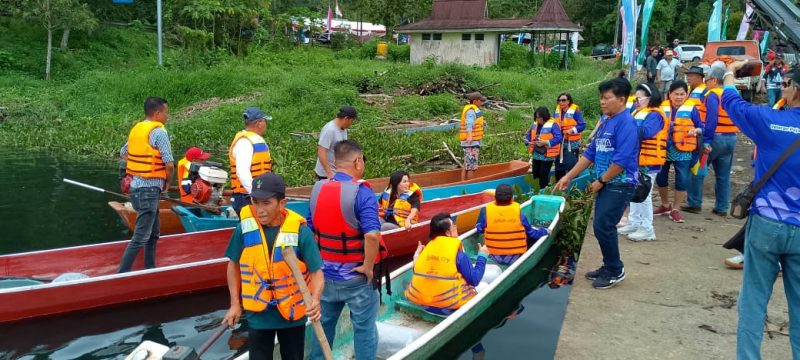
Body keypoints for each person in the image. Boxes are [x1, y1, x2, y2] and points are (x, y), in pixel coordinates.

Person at [723, 61, 800, 359]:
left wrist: (730, 72)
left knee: (753, 302)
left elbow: (731, 101)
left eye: (785, 84)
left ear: (794, 89)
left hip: (767, 224)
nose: (782, 88)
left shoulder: (770, 121)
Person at [221, 173, 324, 360]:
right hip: (258, 316)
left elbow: (317, 272)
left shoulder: (301, 232)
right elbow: (233, 266)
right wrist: (235, 304)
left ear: (282, 203)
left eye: (266, 203)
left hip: (292, 316)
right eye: (255, 202)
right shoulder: (244, 229)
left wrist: (315, 299)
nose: (259, 209)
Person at [555, 76, 639, 289]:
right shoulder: (607, 120)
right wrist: (569, 176)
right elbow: (590, 153)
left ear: (621, 100)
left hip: (619, 183)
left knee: (604, 225)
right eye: (601, 97)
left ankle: (615, 270)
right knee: (601, 226)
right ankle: (608, 265)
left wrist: (601, 180)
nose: (602, 101)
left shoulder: (627, 123)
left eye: (606, 98)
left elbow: (622, 160)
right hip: (606, 182)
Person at [308, 140, 382, 360]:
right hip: (355, 277)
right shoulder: (362, 192)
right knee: (364, 329)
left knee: (323, 326)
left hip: (325, 276)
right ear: (358, 161)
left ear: (335, 162)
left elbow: (310, 228)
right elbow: (371, 234)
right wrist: (368, 267)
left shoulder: (317, 188)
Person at [405, 212, 488, 359]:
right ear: (448, 232)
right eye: (454, 226)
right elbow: (474, 280)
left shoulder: (427, 249)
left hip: (423, 305)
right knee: (484, 286)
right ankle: (477, 349)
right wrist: (482, 256)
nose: (457, 229)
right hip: (447, 309)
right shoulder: (458, 254)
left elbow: (419, 272)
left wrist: (415, 257)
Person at [118, 97, 174, 273]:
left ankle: (150, 268)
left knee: (153, 233)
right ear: (157, 113)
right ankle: (122, 274)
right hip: (149, 190)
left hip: (137, 188)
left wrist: (137, 168)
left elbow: (123, 152)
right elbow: (169, 164)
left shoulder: (138, 129)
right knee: (141, 236)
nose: (167, 115)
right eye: (166, 112)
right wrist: (166, 184)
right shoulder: (159, 132)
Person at [683, 65, 739, 216]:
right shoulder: (731, 94)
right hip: (731, 138)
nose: (706, 83)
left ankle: (694, 202)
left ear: (714, 80)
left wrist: (706, 140)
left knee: (697, 170)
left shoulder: (712, 95)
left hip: (714, 138)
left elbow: (712, 119)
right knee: (724, 175)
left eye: (707, 80)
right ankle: (721, 207)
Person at [618, 84, 667, 242]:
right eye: (635, 98)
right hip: (636, 160)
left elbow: (646, 132)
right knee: (635, 191)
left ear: (649, 98)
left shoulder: (655, 115)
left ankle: (647, 228)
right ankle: (635, 222)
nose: (636, 101)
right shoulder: (638, 112)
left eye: (638, 98)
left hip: (649, 162)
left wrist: (625, 129)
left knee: (644, 194)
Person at [653, 81, 704, 223]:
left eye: (682, 94)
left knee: (682, 179)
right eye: (676, 94)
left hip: (683, 149)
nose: (679, 97)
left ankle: (675, 209)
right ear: (670, 94)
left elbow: (702, 127)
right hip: (664, 148)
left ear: (686, 94)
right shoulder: (661, 108)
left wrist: (696, 131)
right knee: (661, 177)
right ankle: (664, 205)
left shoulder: (692, 108)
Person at [475, 184, 549, 266]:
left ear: (495, 198)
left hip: (494, 256)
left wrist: (478, 225)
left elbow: (480, 229)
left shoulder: (488, 215)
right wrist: (544, 231)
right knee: (530, 238)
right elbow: (532, 233)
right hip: (515, 257)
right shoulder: (520, 216)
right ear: (512, 199)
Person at [229, 107, 273, 215]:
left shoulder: (253, 139)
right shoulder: (244, 142)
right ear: (259, 123)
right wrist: (255, 194)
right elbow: (242, 172)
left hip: (258, 194)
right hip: (247, 197)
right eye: (265, 121)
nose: (266, 124)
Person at [315, 106, 358, 180]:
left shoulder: (343, 129)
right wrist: (329, 173)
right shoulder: (330, 130)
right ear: (346, 118)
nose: (351, 123)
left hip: (337, 172)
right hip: (326, 174)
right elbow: (321, 151)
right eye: (352, 120)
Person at [526, 106, 563, 190]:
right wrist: (527, 141)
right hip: (536, 153)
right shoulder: (535, 124)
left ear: (544, 116)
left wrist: (545, 142)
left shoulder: (553, 124)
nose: (537, 119)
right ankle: (536, 190)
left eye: (539, 117)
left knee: (543, 175)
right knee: (535, 174)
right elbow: (529, 135)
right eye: (536, 117)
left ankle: (543, 191)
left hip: (547, 154)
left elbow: (558, 138)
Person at [552, 92, 586, 181]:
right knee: (559, 163)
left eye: (563, 100)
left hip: (572, 143)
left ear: (568, 101)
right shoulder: (557, 112)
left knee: (571, 163)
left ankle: (573, 183)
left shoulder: (575, 112)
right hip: (559, 142)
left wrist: (572, 130)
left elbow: (582, 125)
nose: (561, 102)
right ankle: (558, 183)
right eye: (559, 100)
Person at [460, 92, 486, 180]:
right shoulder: (471, 111)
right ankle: (469, 186)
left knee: (466, 165)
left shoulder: (474, 110)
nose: (481, 103)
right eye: (480, 101)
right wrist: (470, 136)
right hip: (471, 142)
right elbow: (469, 123)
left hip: (471, 142)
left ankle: (463, 183)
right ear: (475, 101)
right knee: (471, 167)